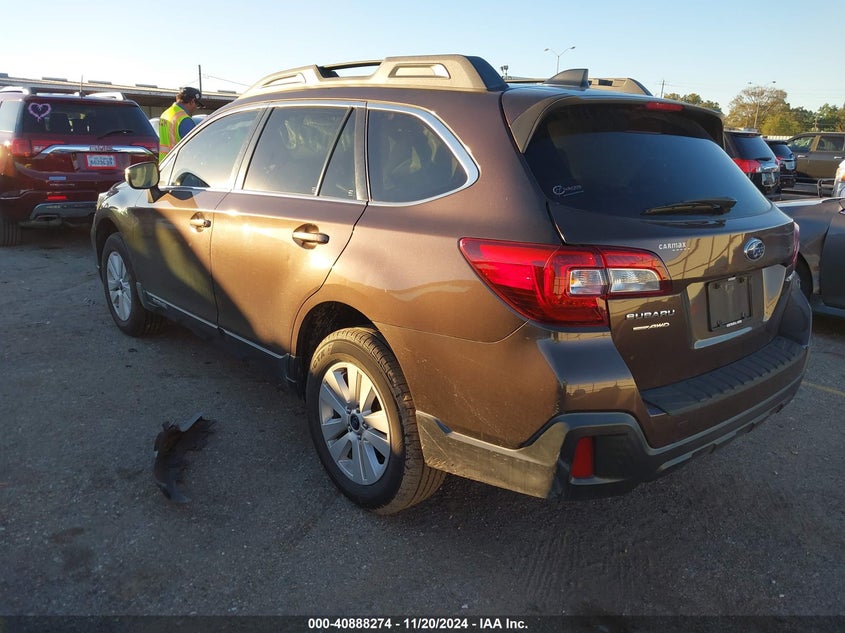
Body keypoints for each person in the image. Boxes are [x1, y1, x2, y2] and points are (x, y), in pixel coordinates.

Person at [158, 87, 203, 161]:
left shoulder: (165, 114)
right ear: (192, 101)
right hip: (178, 165)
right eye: (197, 105)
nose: (196, 108)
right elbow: (194, 149)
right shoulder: (184, 119)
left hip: (164, 164)